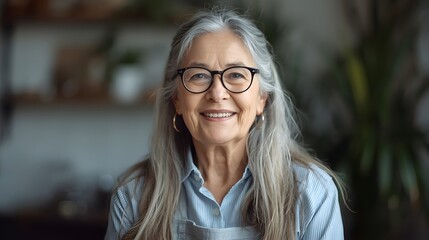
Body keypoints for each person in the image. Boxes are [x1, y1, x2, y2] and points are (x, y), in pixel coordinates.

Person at [104, 8, 344, 240]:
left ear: (262, 98)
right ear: (176, 99)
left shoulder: (312, 193)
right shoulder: (133, 196)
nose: (217, 93)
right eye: (198, 75)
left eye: (236, 74)